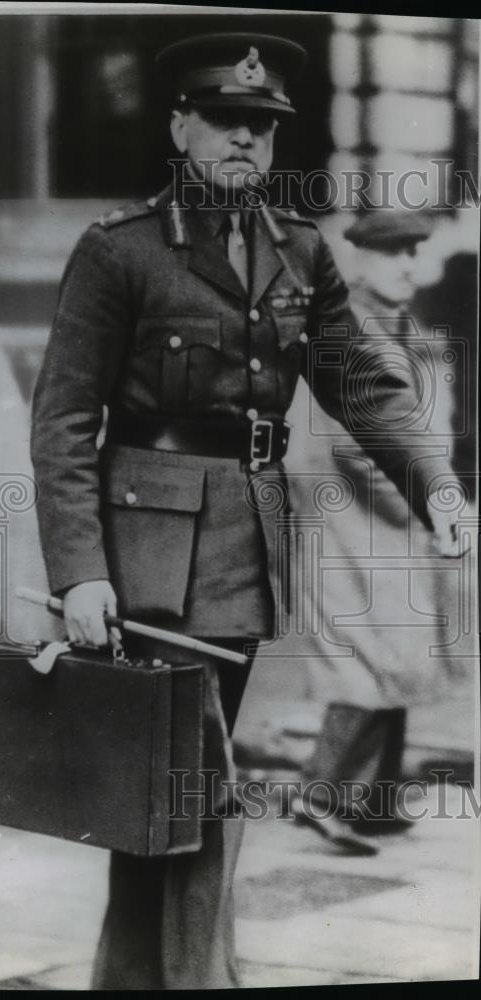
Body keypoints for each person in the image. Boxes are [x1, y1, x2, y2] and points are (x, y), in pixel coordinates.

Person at [30, 34, 463, 990]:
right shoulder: (120, 250)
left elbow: (365, 386)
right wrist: (80, 570)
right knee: (198, 782)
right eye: (225, 121)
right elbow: (62, 420)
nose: (244, 142)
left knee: (158, 790)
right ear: (180, 124)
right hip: (146, 552)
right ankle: (201, 980)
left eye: (261, 129)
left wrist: (434, 483)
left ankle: (131, 978)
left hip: (243, 554)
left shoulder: (298, 252)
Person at [286, 210, 471, 855]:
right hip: (355, 525)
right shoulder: (351, 328)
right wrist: (429, 508)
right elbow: (358, 446)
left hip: (397, 526)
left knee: (403, 658)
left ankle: (377, 798)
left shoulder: (408, 329)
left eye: (414, 253)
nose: (406, 266)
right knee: (367, 661)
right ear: (359, 261)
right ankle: (322, 792)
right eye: (391, 255)